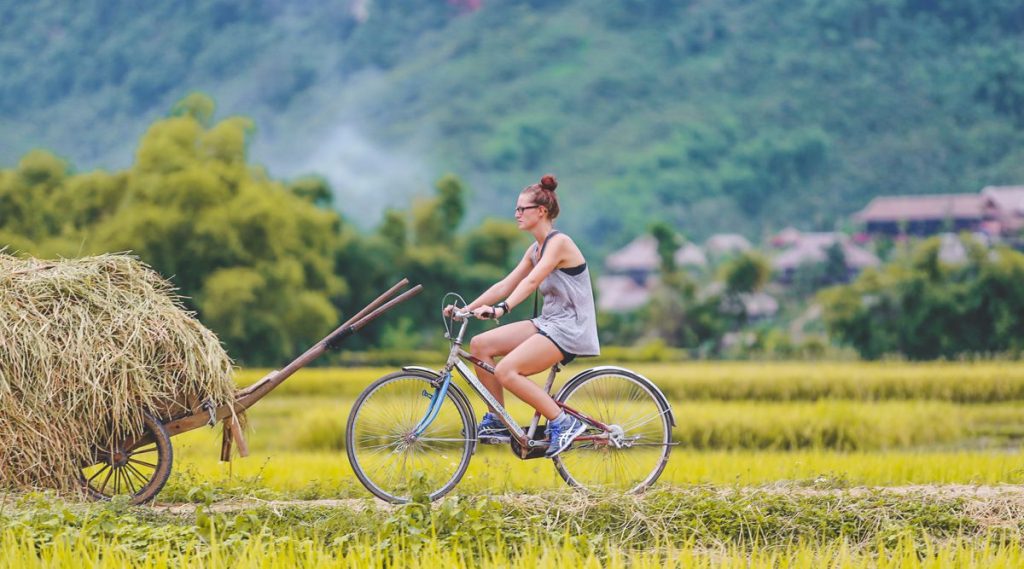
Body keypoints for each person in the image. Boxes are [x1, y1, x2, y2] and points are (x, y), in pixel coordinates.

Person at [444, 174, 600, 457]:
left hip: (569, 328)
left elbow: (530, 283)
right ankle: (497, 420)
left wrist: (502, 309)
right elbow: (505, 284)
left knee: (506, 370)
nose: (516, 214)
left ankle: (563, 422)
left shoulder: (559, 243)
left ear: (541, 211)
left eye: (521, 209)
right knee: (480, 345)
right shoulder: (535, 249)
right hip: (548, 323)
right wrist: (465, 310)